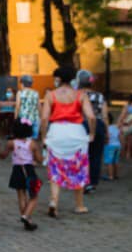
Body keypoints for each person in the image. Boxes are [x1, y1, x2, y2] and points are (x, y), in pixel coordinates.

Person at [40, 66, 96, 217]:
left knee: (55, 167)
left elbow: (44, 118)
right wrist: (92, 133)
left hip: (56, 132)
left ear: (58, 78)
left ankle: (54, 201)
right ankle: (79, 205)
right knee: (79, 166)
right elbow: (91, 117)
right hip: (77, 132)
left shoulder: (50, 95)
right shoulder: (80, 95)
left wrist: (44, 136)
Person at [0, 120, 43, 231]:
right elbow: (39, 159)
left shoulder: (11, 143)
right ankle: (26, 216)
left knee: (21, 195)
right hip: (29, 170)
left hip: (16, 170)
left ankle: (27, 221)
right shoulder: (32, 144)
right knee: (34, 196)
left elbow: (3, 155)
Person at [77, 70, 108, 192]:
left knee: (81, 154)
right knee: (96, 155)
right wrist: (107, 131)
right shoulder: (100, 96)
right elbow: (104, 115)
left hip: (80, 125)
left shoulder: (76, 95)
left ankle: (81, 180)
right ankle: (92, 182)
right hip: (98, 125)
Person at [15, 75, 41, 139]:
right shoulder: (36, 93)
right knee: (34, 139)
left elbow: (17, 106)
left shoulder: (20, 93)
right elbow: (39, 106)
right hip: (35, 118)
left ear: (22, 84)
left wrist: (15, 118)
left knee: (25, 139)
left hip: (24, 120)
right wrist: (41, 118)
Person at [103, 115, 121, 180]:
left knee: (109, 161)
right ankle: (116, 175)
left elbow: (106, 137)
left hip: (109, 146)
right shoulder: (115, 127)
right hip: (118, 145)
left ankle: (110, 176)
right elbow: (119, 135)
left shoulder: (106, 128)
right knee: (115, 161)